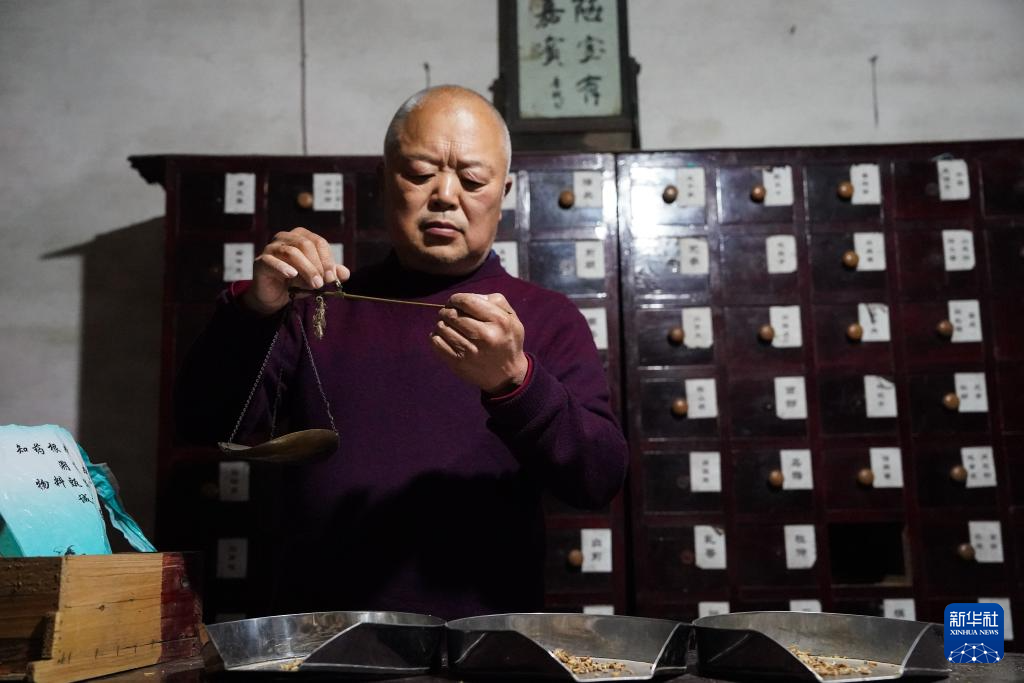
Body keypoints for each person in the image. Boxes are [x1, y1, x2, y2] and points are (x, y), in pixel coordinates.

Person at [175, 85, 628, 619]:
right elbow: (203, 423)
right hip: (323, 634)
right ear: (383, 179)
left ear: (504, 191)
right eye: (419, 173)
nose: (445, 195)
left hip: (482, 640)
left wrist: (515, 381)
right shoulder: (317, 306)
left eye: (472, 180)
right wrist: (255, 309)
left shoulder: (546, 319)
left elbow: (599, 479)